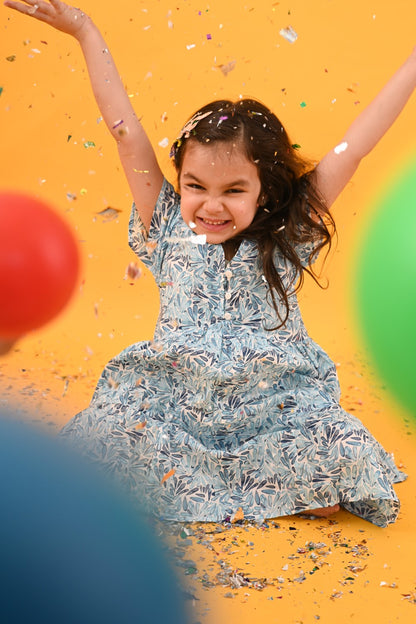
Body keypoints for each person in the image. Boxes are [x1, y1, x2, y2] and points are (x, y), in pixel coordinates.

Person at [5, 0, 416, 527]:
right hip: (175, 405)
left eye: (234, 190)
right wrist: (84, 30)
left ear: (265, 191)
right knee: (101, 442)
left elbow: (354, 146)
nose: (211, 205)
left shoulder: (291, 229)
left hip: (273, 410)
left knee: (344, 448)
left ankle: (291, 481)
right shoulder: (167, 221)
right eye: (195, 185)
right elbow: (125, 131)